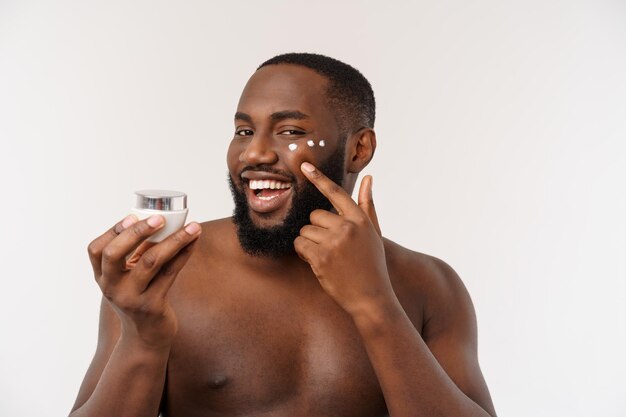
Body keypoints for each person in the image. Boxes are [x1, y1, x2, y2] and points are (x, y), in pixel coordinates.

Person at [69, 53, 497, 417]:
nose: (254, 153)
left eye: (290, 132)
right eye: (243, 131)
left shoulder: (428, 284)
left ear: (358, 149)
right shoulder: (164, 275)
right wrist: (142, 336)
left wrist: (376, 305)